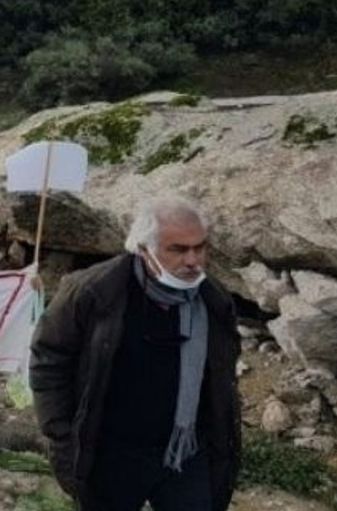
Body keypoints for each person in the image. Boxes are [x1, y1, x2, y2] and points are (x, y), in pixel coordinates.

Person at [31, 197, 241, 511]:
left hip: (185, 452)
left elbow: (222, 376)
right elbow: (49, 359)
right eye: (178, 249)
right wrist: (62, 435)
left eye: (200, 247)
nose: (193, 261)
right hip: (112, 455)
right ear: (144, 249)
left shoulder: (213, 301)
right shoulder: (93, 292)